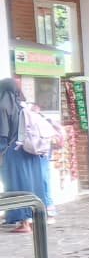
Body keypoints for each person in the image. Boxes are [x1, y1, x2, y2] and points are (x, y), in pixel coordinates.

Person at [0, 79, 59, 232]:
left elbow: (3, 134)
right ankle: (34, 219)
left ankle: (24, 222)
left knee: (16, 186)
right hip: (29, 151)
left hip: (13, 153)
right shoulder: (23, 106)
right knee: (31, 185)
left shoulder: (3, 106)